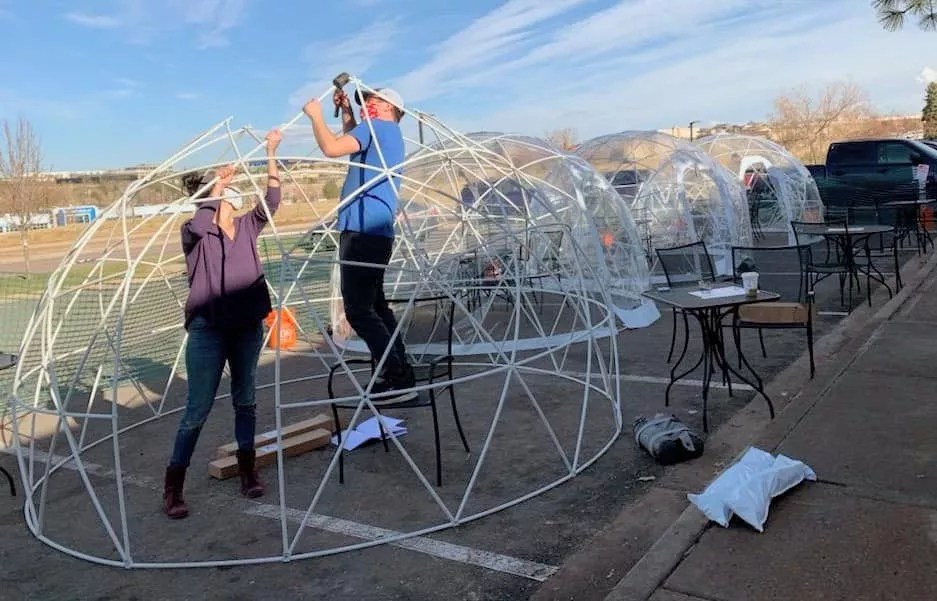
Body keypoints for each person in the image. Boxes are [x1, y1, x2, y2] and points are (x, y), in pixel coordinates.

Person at [162, 129, 283, 520]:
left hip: (246, 326)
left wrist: (270, 152)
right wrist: (216, 186)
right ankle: (173, 486)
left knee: (245, 399)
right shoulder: (195, 231)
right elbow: (200, 224)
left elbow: (273, 200)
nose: (232, 195)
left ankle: (247, 470)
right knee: (197, 408)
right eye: (223, 193)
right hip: (209, 330)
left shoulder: (248, 226)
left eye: (231, 191)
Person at [302, 87, 414, 401]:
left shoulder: (376, 127)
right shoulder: (385, 134)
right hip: (376, 232)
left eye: (371, 101)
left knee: (358, 310)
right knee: (376, 306)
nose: (366, 105)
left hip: (362, 231)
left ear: (390, 107)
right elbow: (355, 141)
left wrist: (316, 116)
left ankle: (397, 377)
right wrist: (347, 113)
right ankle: (401, 372)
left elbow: (331, 148)